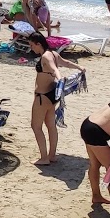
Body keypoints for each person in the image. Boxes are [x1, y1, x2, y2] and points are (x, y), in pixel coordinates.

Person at [27, 31, 83, 166]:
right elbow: (66, 62)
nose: (31, 48)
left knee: (36, 126)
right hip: (51, 96)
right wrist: (79, 67)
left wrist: (60, 78)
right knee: (51, 126)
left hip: (42, 97)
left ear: (38, 44)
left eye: (32, 45)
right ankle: (52, 155)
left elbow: (54, 69)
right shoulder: (53, 53)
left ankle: (44, 158)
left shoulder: (46, 57)